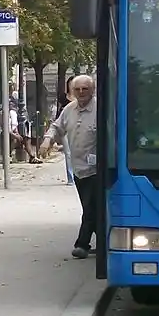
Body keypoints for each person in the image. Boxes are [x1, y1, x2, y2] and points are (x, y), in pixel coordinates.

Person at [40, 74, 98, 259]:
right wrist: (47, 140)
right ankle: (105, 242)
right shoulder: (69, 109)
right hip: (79, 169)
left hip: (97, 170)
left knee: (90, 208)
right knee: (92, 208)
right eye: (77, 89)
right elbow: (57, 127)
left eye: (85, 89)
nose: (81, 92)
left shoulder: (100, 109)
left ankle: (82, 244)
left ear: (92, 90)